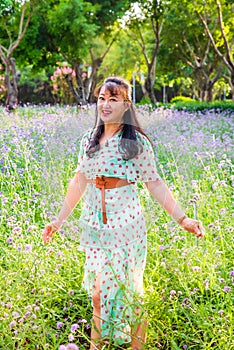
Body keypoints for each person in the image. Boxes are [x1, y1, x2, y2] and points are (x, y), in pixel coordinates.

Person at [42, 77, 205, 350]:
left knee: (129, 293)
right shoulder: (88, 140)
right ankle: (100, 345)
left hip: (127, 222)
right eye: (102, 98)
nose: (105, 105)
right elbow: (79, 181)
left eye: (113, 99)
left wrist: (183, 219)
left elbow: (154, 182)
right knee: (98, 295)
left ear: (126, 105)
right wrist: (58, 221)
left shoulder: (136, 142)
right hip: (95, 224)